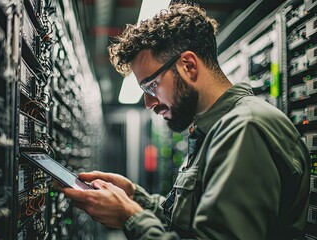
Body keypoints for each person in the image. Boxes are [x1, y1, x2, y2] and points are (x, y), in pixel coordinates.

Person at [62, 2, 311, 239]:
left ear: (189, 66)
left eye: (151, 87)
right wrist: (136, 198)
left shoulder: (246, 128)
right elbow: (189, 225)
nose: (149, 103)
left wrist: (130, 217)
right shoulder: (213, 129)